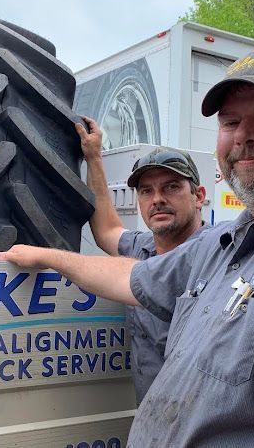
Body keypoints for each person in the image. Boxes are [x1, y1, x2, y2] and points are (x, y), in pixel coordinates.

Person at [0, 47, 254, 447]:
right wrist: (45, 256)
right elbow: (131, 276)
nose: (244, 135)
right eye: (231, 121)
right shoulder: (229, 240)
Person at [76, 116, 207, 404]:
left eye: (171, 187)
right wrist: (94, 157)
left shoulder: (218, 254)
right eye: (147, 191)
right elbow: (107, 229)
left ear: (199, 196)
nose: (157, 198)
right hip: (152, 421)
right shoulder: (142, 247)